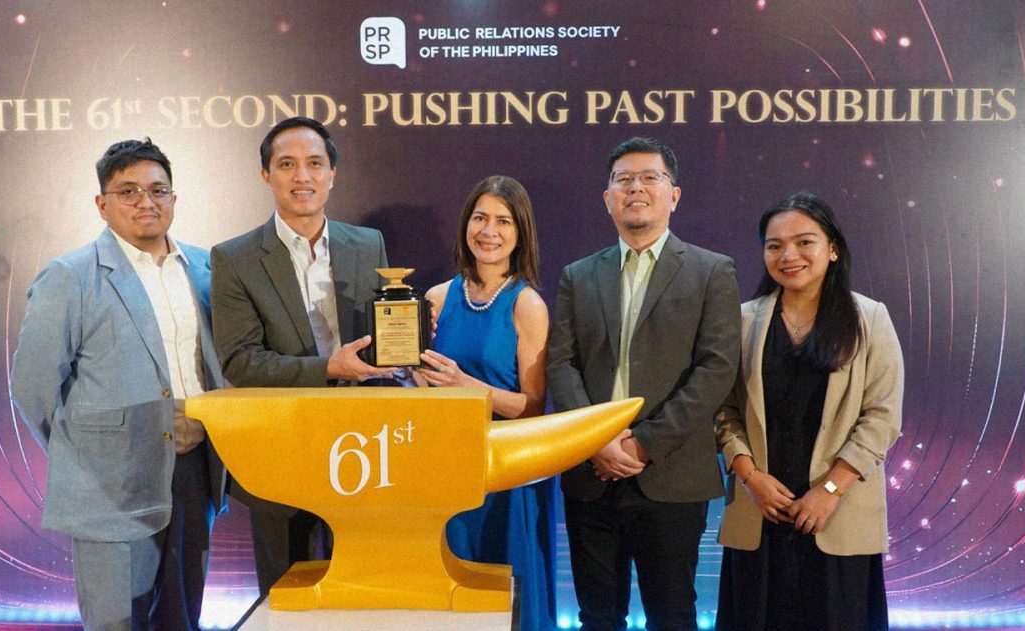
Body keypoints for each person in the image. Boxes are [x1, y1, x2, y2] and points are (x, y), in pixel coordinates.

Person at [10, 138, 225, 630]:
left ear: (174, 198)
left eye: (158, 190)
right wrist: (89, 452)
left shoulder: (205, 268)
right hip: (110, 485)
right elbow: (32, 387)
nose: (146, 202)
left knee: (182, 617)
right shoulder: (69, 276)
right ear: (102, 204)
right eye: (128, 191)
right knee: (117, 623)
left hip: (194, 472)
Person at [546, 137, 741, 630]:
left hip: (671, 475)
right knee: (597, 617)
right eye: (624, 179)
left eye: (650, 177)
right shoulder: (578, 276)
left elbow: (716, 369)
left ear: (673, 195)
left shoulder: (711, 271)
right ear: (607, 197)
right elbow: (561, 364)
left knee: (672, 615)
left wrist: (644, 444)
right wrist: (595, 441)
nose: (636, 188)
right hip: (591, 475)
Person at [210, 116, 393, 597]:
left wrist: (406, 332)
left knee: (362, 595)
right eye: (287, 164)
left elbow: (381, 339)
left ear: (332, 173)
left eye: (315, 163)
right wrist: (329, 368)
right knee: (287, 596)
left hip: (365, 450)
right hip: (281, 450)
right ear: (266, 176)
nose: (302, 176)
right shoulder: (234, 258)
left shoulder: (367, 244)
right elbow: (240, 362)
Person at [714, 192, 903, 630]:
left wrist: (829, 491)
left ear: (832, 248)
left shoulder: (870, 318)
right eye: (774, 245)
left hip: (837, 515)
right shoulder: (741, 321)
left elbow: (882, 417)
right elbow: (722, 411)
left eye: (804, 242)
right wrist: (751, 479)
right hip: (760, 512)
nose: (789, 256)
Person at [413, 175, 554, 630]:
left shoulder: (527, 304)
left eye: (503, 221)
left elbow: (532, 407)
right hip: (444, 471)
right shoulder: (436, 298)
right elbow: (424, 390)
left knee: (503, 593)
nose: (488, 231)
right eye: (480, 218)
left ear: (520, 232)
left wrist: (466, 384)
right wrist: (417, 378)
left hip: (504, 473)